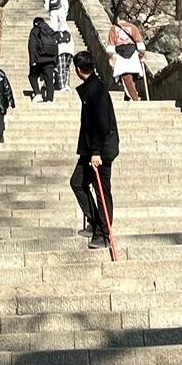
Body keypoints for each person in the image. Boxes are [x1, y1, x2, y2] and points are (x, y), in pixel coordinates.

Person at [69, 48, 119, 250]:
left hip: (100, 151)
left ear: (79, 69)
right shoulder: (91, 88)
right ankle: (95, 220)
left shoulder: (96, 90)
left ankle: (104, 233)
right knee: (77, 182)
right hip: (90, 150)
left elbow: (102, 124)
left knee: (102, 191)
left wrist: (97, 152)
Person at [107, 16, 147, 102]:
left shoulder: (113, 29)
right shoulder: (133, 27)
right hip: (133, 54)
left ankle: (134, 98)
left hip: (120, 55)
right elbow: (140, 43)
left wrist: (110, 57)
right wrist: (142, 55)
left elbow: (111, 46)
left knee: (125, 76)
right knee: (131, 77)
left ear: (117, 19)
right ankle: (129, 96)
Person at [27, 14, 60, 102]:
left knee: (32, 76)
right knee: (49, 79)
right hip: (50, 60)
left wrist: (32, 60)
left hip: (39, 60)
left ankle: (38, 94)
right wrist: (56, 61)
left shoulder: (35, 30)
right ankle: (50, 99)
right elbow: (56, 46)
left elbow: (32, 46)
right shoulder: (50, 31)